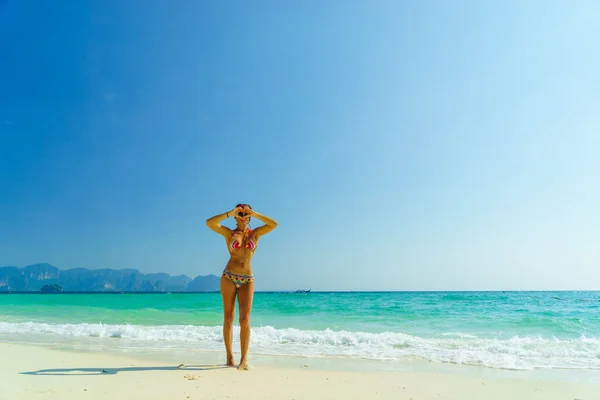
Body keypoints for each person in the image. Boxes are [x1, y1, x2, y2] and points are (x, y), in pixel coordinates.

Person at [206, 204, 278, 370]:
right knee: (229, 318)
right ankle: (229, 355)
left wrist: (255, 213)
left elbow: (274, 224)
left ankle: (244, 359)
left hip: (247, 279)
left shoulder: (256, 233)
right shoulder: (229, 233)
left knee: (245, 320)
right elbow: (209, 223)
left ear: (250, 216)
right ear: (235, 216)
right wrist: (229, 213)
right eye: (240, 212)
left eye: (246, 212)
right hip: (229, 277)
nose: (243, 215)